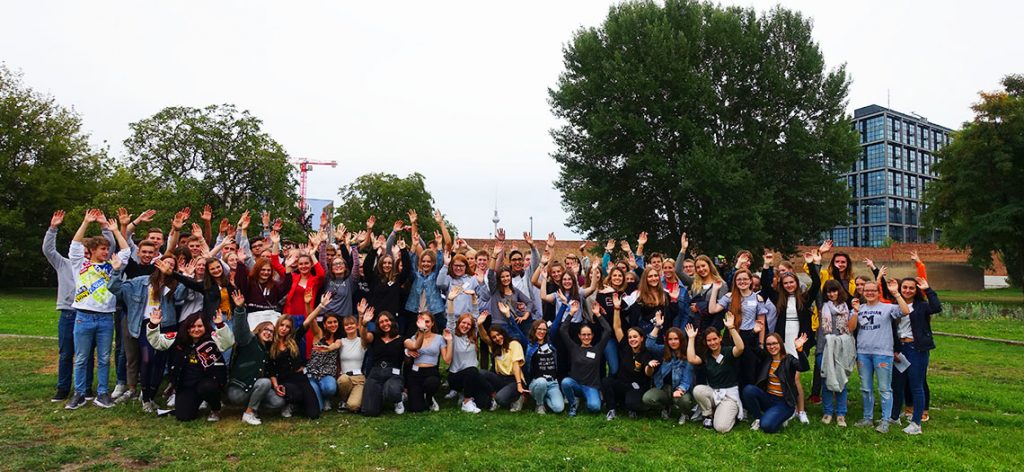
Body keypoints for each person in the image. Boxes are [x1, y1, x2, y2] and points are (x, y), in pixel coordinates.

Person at [66, 209, 131, 410]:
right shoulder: (81, 265)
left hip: (105, 318)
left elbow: (126, 251)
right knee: (82, 358)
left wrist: (113, 230)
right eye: (103, 249)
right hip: (83, 317)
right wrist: (86, 222)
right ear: (93, 249)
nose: (106, 252)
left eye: (107, 249)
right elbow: (75, 246)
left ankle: (103, 394)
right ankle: (79, 393)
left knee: (104, 358)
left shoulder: (113, 265)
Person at [43, 210, 107, 402]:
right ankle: (63, 388)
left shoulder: (97, 269)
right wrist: (53, 228)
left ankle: (86, 389)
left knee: (87, 354)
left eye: (89, 252)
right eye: (84, 252)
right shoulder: (64, 263)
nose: (86, 255)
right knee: (66, 353)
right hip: (69, 313)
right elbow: (48, 251)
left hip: (89, 313)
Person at [108, 257, 186, 412]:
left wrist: (182, 275)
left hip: (166, 325)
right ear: (157, 264)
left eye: (172, 265)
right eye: (166, 262)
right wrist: (116, 271)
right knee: (147, 358)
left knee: (159, 362)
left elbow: (181, 296)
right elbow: (115, 288)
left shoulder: (173, 284)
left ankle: (150, 396)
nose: (168, 266)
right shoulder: (140, 282)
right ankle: (145, 398)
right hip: (146, 325)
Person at [146, 308, 235, 422]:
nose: (196, 329)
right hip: (187, 384)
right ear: (187, 327)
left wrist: (220, 325)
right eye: (192, 326)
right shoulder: (179, 338)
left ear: (205, 326)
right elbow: (158, 342)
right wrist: (153, 325)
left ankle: (215, 408)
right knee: (184, 416)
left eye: (199, 326)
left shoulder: (212, 337)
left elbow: (228, 342)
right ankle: (196, 402)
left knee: (207, 387)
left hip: (208, 381)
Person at [850, 279, 910, 433]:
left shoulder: (887, 307)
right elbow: (851, 328)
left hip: (883, 353)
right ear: (862, 292)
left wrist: (896, 293)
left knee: (884, 388)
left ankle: (885, 420)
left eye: (873, 290)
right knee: (865, 388)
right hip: (863, 353)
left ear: (878, 292)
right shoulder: (859, 307)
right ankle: (867, 418)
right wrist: (855, 311)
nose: (870, 293)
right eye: (867, 290)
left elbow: (905, 311)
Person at [887, 276, 941, 435]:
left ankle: (916, 423)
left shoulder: (922, 306)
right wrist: (894, 349)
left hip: (916, 349)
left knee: (916, 385)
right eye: (905, 287)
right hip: (900, 348)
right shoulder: (895, 305)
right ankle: (894, 416)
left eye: (911, 288)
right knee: (897, 384)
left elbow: (937, 307)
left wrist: (928, 289)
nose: (908, 290)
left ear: (916, 290)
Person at [225, 290, 286, 426]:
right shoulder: (249, 340)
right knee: (264, 383)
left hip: (254, 388)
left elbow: (270, 371)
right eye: (266, 329)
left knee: (278, 402)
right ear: (259, 329)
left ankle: (254, 405)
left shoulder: (268, 350)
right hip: (238, 390)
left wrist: (276, 386)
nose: (269, 333)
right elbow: (240, 330)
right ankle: (249, 413)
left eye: (272, 331)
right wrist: (240, 309)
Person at [708, 269, 774, 389]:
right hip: (732, 336)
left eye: (745, 279)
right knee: (732, 369)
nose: (742, 281)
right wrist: (715, 290)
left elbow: (761, 323)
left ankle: (747, 402)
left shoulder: (757, 299)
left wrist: (761, 343)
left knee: (748, 371)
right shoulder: (729, 297)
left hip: (750, 337)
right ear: (735, 282)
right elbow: (712, 309)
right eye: (739, 279)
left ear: (750, 281)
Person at [268, 293, 324, 420]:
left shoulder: (294, 339)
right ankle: (290, 404)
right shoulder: (270, 344)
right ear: (277, 326)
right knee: (296, 394)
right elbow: (270, 369)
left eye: (287, 327)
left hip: (300, 378)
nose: (284, 329)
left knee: (314, 414)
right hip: (285, 380)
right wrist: (276, 386)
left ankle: (300, 404)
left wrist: (321, 305)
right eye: (282, 325)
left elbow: (308, 320)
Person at [742, 332, 810, 433]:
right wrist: (753, 333)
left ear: (780, 344)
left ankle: (780, 417)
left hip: (784, 402)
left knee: (767, 426)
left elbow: (804, 367)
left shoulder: (789, 359)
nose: (772, 347)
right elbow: (753, 346)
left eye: (775, 343)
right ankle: (758, 418)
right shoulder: (767, 358)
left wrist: (800, 350)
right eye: (769, 344)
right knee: (748, 390)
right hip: (768, 398)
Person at [687, 312, 745, 433]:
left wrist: (731, 328)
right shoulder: (706, 356)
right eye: (709, 340)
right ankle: (708, 415)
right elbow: (691, 359)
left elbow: (740, 348)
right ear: (706, 342)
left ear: (720, 338)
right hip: (714, 392)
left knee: (721, 428)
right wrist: (691, 338)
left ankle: (731, 414)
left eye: (715, 339)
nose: (712, 342)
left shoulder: (728, 352)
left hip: (729, 396)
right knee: (698, 390)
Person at [604, 293, 656, 420]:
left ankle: (633, 407)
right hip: (623, 384)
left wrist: (649, 366)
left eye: (635, 337)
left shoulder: (645, 352)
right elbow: (617, 327)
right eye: (630, 337)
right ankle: (611, 410)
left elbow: (648, 373)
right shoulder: (625, 347)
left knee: (631, 403)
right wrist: (616, 309)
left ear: (642, 338)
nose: (632, 339)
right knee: (606, 381)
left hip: (636, 386)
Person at [559, 302, 613, 417]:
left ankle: (592, 397)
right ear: (579, 336)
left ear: (592, 336)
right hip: (576, 385)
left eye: (589, 334)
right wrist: (572, 313)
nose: (586, 337)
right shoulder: (574, 348)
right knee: (565, 382)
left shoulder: (597, 349)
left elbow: (608, 331)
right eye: (583, 335)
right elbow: (563, 330)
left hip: (591, 387)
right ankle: (573, 403)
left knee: (594, 408)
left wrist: (598, 314)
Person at [642, 312, 695, 424]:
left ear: (681, 340)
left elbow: (687, 378)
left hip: (680, 389)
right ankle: (666, 407)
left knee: (684, 400)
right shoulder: (663, 350)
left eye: (676, 339)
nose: (673, 342)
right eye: (670, 339)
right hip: (664, 388)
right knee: (648, 398)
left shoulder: (687, 355)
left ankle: (684, 413)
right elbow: (649, 345)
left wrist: (680, 390)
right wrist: (657, 326)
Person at [817, 280, 856, 427]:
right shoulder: (823, 306)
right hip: (824, 347)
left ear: (839, 291)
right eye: (828, 291)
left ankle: (841, 413)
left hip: (842, 348)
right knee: (826, 380)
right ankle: (827, 412)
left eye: (834, 291)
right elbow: (815, 285)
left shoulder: (847, 307)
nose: (832, 294)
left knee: (841, 380)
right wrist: (815, 264)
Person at [477, 308, 528, 411]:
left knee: (501, 400)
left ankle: (519, 397)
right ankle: (493, 395)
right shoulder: (495, 347)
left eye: (499, 335)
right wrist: (479, 325)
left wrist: (519, 385)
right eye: (494, 337)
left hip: (514, 379)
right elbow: (485, 338)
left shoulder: (514, 344)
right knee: (479, 373)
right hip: (500, 378)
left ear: (503, 333)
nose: (497, 338)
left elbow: (516, 365)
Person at [360, 309, 406, 417]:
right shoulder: (374, 336)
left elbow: (415, 346)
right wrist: (364, 324)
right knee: (370, 411)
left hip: (393, 373)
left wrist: (422, 331)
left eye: (387, 320)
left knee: (391, 390)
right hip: (375, 373)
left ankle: (398, 399)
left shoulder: (401, 339)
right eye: (381, 322)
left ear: (392, 321)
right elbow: (364, 337)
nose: (385, 323)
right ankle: (378, 398)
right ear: (378, 325)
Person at [305, 291, 343, 412]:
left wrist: (329, 348)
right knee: (319, 408)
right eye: (330, 322)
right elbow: (311, 320)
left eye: (335, 322)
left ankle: (326, 396)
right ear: (325, 325)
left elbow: (337, 345)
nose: (333, 325)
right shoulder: (319, 334)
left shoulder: (340, 339)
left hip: (327, 375)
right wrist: (307, 304)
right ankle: (319, 397)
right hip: (313, 374)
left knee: (330, 388)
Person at [404, 313, 446, 413]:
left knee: (432, 383)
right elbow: (414, 346)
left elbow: (447, 359)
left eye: (427, 321)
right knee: (416, 409)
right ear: (418, 323)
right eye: (422, 322)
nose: (425, 324)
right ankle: (420, 395)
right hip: (415, 372)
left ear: (432, 323)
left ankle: (429, 397)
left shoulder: (439, 338)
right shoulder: (414, 338)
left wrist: (450, 341)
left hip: (431, 372)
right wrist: (408, 351)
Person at [336, 302, 371, 413]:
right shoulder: (341, 342)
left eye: (352, 324)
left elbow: (363, 333)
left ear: (356, 326)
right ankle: (342, 399)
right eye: (346, 325)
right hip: (345, 377)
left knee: (353, 407)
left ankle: (351, 400)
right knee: (343, 380)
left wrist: (361, 315)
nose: (349, 326)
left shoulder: (362, 342)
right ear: (344, 327)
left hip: (359, 379)